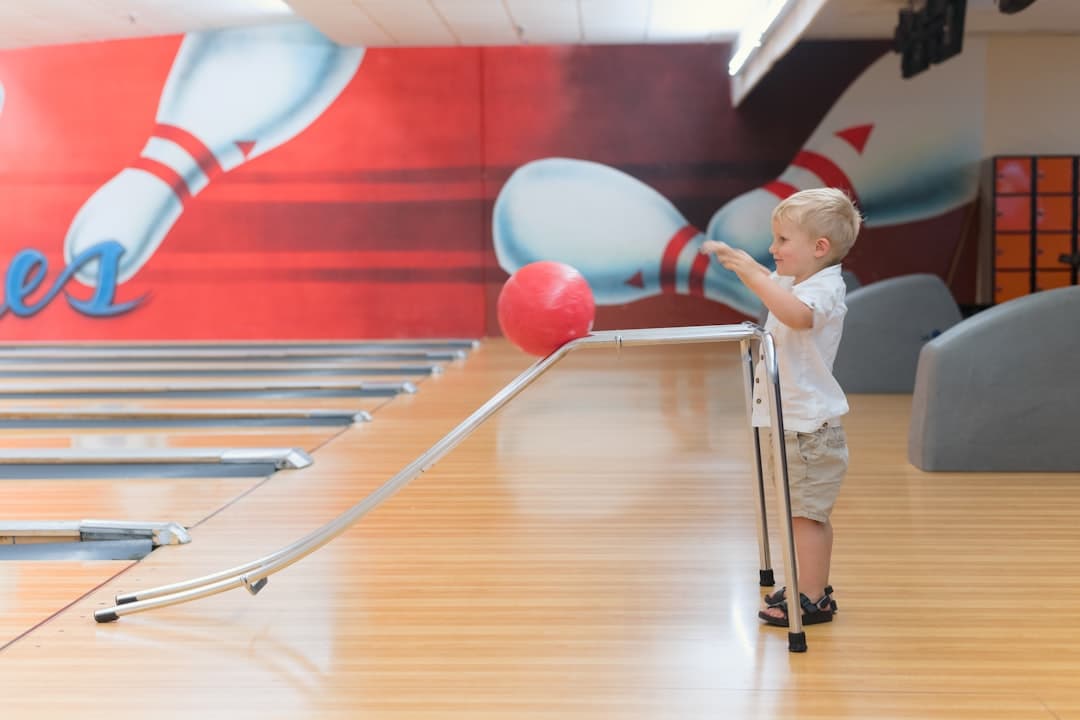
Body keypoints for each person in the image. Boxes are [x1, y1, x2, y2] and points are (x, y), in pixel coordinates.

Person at [701, 187, 861, 627]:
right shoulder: (797, 282)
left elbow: (796, 316)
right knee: (796, 511)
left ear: (819, 248)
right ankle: (807, 584)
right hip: (786, 420)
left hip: (808, 427)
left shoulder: (825, 288)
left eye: (782, 240)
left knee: (806, 515)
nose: (772, 249)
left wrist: (755, 274)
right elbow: (781, 299)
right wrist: (750, 270)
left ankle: (812, 597)